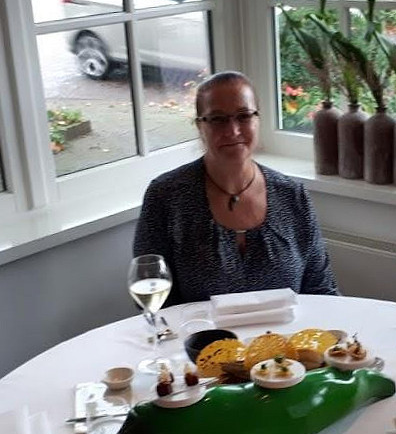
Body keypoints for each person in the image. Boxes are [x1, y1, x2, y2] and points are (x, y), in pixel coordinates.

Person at [133, 70, 339, 304]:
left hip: (289, 330)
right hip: (197, 329)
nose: (233, 130)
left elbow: (322, 290)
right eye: (218, 119)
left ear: (257, 120)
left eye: (243, 116)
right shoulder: (165, 197)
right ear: (200, 126)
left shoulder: (292, 195)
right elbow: (156, 299)